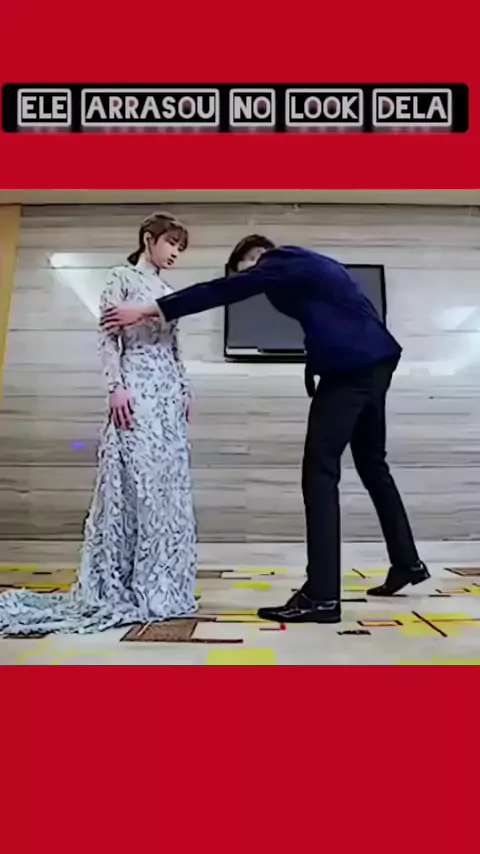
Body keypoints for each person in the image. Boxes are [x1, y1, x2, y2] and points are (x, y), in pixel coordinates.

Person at [102, 236, 429, 625]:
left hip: (350, 370)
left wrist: (148, 309)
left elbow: (221, 290)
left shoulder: (279, 260)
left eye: (248, 272)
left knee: (319, 473)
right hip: (376, 361)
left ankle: (322, 596)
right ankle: (407, 562)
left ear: (256, 258)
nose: (254, 283)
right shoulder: (313, 265)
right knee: (373, 464)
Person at [0, 212, 198, 636]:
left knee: (165, 484)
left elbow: (175, 346)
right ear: (149, 239)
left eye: (181, 248)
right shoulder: (119, 278)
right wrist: (115, 388)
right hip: (136, 387)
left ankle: (162, 585)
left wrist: (185, 389)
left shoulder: (168, 292)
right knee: (135, 482)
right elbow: (107, 337)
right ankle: (125, 582)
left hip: (167, 394)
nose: (175, 253)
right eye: (171, 243)